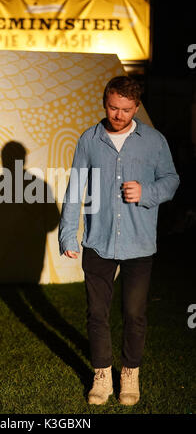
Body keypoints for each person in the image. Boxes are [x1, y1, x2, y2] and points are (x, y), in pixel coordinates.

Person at [58, 76, 180, 406]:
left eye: (126, 109)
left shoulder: (153, 141)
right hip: (98, 242)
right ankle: (101, 375)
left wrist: (147, 192)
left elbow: (171, 180)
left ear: (136, 107)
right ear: (105, 103)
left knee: (134, 313)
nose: (118, 115)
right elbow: (75, 190)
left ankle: (129, 374)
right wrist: (69, 234)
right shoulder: (89, 140)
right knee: (97, 313)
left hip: (139, 244)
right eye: (113, 107)